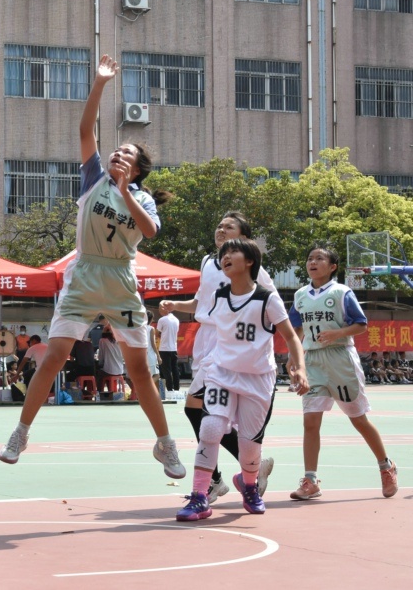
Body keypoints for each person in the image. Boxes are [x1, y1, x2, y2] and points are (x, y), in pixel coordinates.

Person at [0, 54, 185, 480]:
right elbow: (85, 130)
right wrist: (100, 83)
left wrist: (126, 191)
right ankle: (20, 434)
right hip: (84, 274)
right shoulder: (94, 178)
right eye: (116, 149)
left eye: (127, 153)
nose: (117, 153)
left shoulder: (142, 198)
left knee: (140, 369)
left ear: (138, 169)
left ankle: (165, 443)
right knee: (53, 357)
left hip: (120, 278)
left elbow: (150, 231)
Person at [176, 238, 309, 521]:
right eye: (223, 253)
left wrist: (299, 368)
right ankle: (199, 496)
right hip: (222, 373)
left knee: (249, 444)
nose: (225, 257)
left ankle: (249, 486)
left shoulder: (267, 298)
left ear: (250, 261)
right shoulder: (218, 296)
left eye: (233, 251)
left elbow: (290, 337)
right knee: (211, 428)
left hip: (257, 378)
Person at [160, 211, 276, 502]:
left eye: (229, 227)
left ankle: (218, 480)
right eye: (219, 225)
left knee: (197, 409)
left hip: (227, 342)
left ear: (245, 238)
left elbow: (270, 305)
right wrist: (176, 304)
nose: (221, 230)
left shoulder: (252, 268)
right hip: (205, 339)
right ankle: (247, 468)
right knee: (205, 413)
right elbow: (202, 302)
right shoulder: (207, 262)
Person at [288, 243, 398, 501]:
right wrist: (293, 358)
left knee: (358, 419)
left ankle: (386, 466)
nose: (312, 262)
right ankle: (310, 480)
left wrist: (337, 333)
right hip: (313, 361)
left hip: (341, 359)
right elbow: (296, 329)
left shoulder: (341, 292)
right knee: (310, 421)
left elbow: (361, 324)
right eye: (310, 258)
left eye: (319, 258)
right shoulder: (301, 295)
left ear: (332, 267)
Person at [155, 311, 180, 393]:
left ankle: (169, 389)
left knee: (166, 370)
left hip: (164, 348)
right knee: (175, 369)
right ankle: (176, 388)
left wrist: (161, 335)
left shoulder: (162, 320)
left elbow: (157, 333)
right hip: (174, 348)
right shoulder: (176, 320)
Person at [97, 324, 126, 390]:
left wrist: (100, 363)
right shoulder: (119, 342)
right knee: (107, 372)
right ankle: (112, 390)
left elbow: (101, 357)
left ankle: (100, 392)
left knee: (100, 374)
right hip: (120, 370)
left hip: (109, 370)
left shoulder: (102, 341)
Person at [145, 311, 162, 390]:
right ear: (151, 319)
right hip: (150, 355)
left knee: (146, 375)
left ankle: (146, 388)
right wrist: (158, 356)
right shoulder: (151, 328)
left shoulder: (140, 328)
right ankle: (146, 387)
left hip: (143, 354)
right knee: (156, 375)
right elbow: (153, 343)